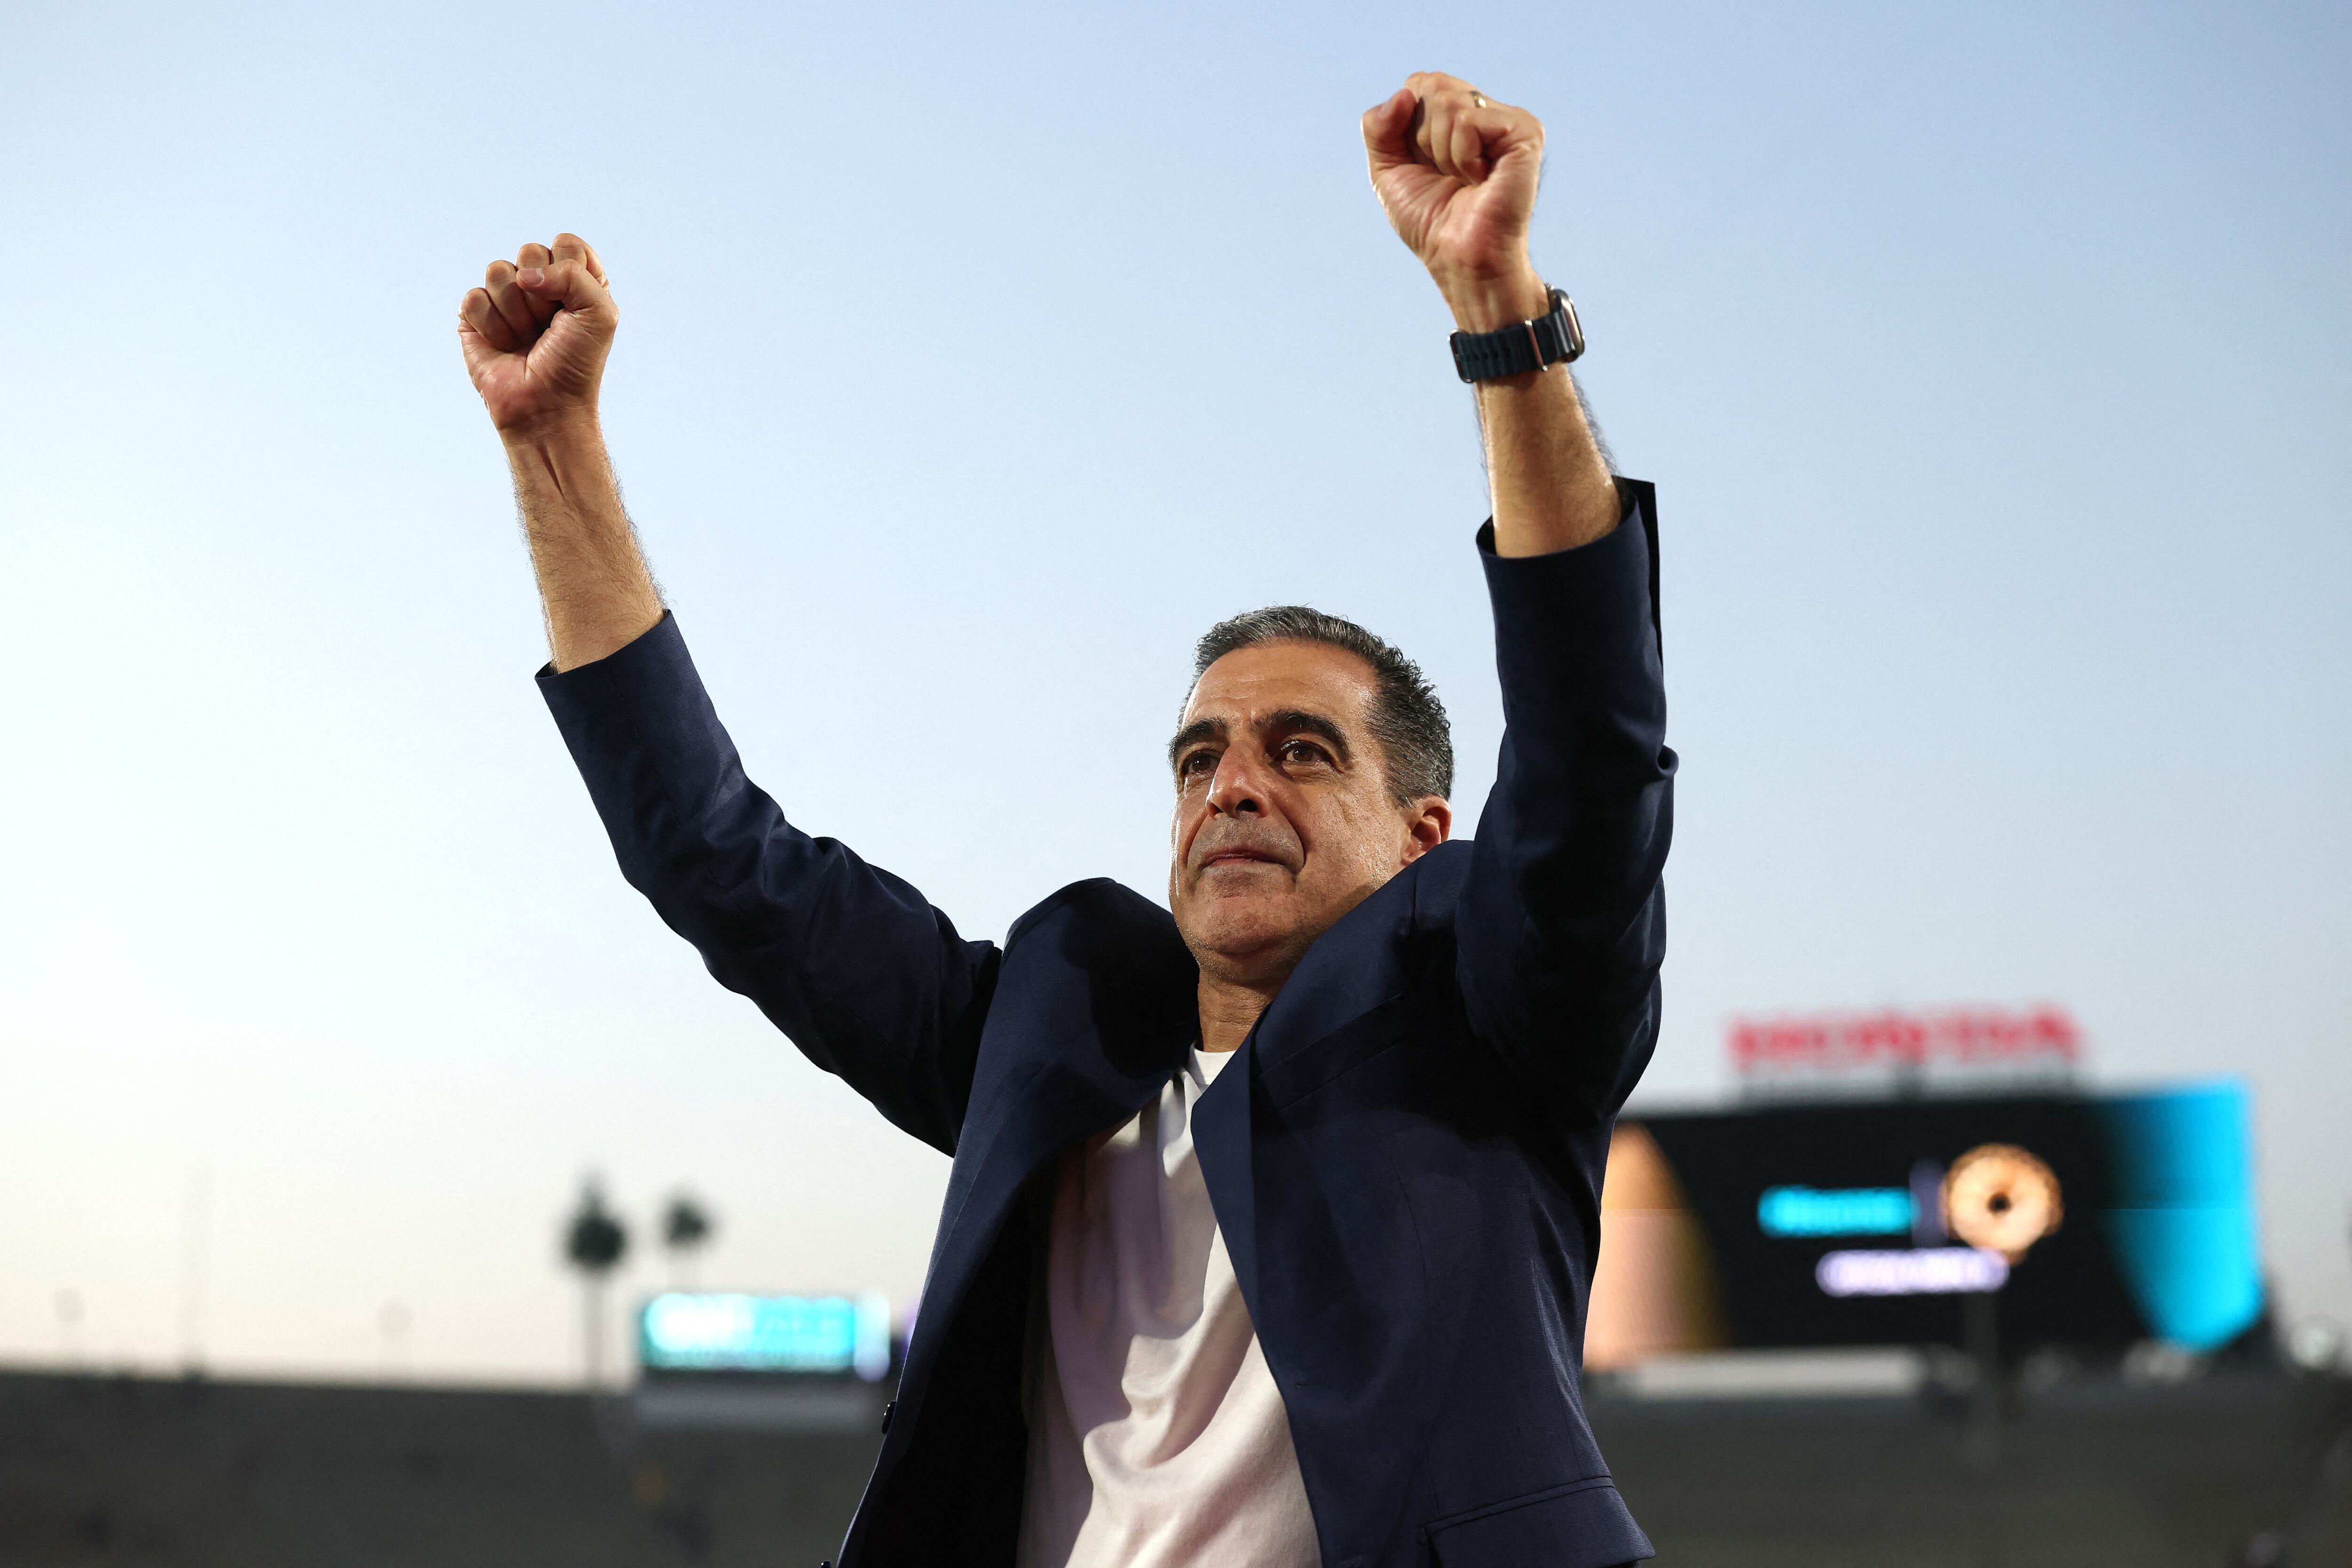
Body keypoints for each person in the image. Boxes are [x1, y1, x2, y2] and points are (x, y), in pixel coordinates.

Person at [460, 71, 1670, 1568]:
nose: (1233, 784)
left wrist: (1500, 309)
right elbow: (720, 861)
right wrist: (553, 444)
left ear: (1425, 838)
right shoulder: (1044, 1042)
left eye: (1301, 752)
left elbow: (1590, 751)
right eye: (1200, 756)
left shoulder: (1502, 1029)